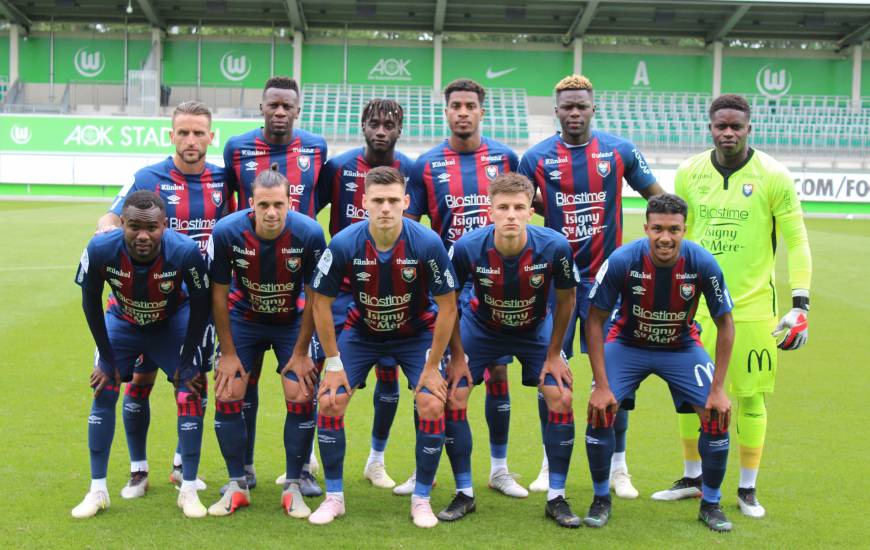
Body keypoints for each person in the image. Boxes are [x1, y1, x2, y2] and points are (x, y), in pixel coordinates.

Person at [653, 94, 812, 518]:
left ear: (748, 128)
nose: (728, 133)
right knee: (689, 397)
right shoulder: (689, 171)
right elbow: (676, 234)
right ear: (710, 127)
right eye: (721, 126)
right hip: (694, 307)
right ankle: (692, 477)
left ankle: (746, 488)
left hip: (752, 309)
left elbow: (796, 239)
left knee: (751, 398)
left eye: (736, 126)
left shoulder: (773, 175)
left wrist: (801, 303)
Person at [518, 74, 664, 498]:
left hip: (609, 285)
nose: (575, 113)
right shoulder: (536, 159)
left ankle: (619, 467)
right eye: (567, 106)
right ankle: (549, 463)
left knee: (615, 378)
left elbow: (656, 197)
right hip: (557, 285)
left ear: (593, 108)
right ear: (556, 110)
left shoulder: (619, 151)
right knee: (553, 374)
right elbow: (525, 206)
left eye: (582, 105)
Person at [307, 166, 458, 528]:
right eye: (378, 200)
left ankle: (421, 498)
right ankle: (334, 497)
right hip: (362, 332)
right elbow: (320, 304)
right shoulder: (344, 242)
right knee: (329, 399)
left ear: (406, 202)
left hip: (415, 333)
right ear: (364, 203)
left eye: (393, 200)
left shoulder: (427, 242)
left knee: (431, 401)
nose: (386, 208)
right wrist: (332, 362)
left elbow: (449, 306)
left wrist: (432, 365)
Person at [95, 100, 228, 496]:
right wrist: (104, 233)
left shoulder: (224, 181)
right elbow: (111, 217)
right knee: (138, 382)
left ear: (210, 136)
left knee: (192, 383)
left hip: (194, 304)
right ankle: (138, 470)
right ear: (171, 135)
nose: (190, 140)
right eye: (183, 132)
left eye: (198, 132)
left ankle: (181, 465)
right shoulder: (147, 177)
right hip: (143, 300)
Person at [583, 193, 735, 532]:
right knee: (600, 410)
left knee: (716, 414)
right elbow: (594, 320)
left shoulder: (703, 263)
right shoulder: (623, 259)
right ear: (646, 228)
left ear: (685, 229)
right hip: (627, 344)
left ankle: (710, 503)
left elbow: (726, 323)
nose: (665, 238)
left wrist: (718, 389)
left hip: (680, 347)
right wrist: (602, 385)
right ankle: (600, 498)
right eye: (657, 229)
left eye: (674, 230)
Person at [405, 78, 525, 498]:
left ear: (481, 111)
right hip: (449, 287)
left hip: (499, 285)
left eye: (470, 105)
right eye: (455, 105)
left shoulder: (504, 157)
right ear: (446, 111)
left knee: (497, 374)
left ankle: (499, 468)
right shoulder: (425, 164)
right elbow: (412, 224)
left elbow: (521, 212)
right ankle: (429, 467)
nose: (462, 112)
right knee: (442, 379)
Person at [440, 173, 581, 527]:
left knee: (561, 397)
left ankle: (557, 497)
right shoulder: (467, 247)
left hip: (535, 331)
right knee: (454, 396)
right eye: (503, 208)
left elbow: (567, 300)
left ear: (531, 211)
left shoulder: (555, 246)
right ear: (490, 211)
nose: (511, 216)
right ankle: (464, 493)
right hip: (482, 329)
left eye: (519, 207)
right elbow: (449, 304)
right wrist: (457, 356)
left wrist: (554, 354)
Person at [289, 98, 414, 490]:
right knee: (326, 369)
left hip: (394, 292)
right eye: (374, 123)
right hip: (343, 291)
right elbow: (310, 212)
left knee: (389, 374)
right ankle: (306, 456)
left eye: (389, 124)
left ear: (399, 129)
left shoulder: (410, 171)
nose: (381, 130)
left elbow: (418, 228)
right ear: (362, 125)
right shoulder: (339, 168)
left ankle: (376, 460)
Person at [72, 190, 210, 519]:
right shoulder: (100, 248)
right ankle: (97, 490)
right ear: (121, 224)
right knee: (104, 388)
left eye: (152, 228)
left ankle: (188, 488)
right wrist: (106, 359)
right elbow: (89, 300)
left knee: (191, 390)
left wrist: (188, 360)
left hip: (171, 324)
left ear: (166, 225)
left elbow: (203, 304)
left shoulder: (186, 251)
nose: (143, 236)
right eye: (134, 227)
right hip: (124, 322)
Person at [222, 76, 328, 494]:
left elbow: (321, 200)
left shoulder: (317, 147)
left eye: (287, 106)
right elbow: (228, 201)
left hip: (295, 290)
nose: (279, 112)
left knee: (302, 385)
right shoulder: (236, 148)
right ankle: (242, 468)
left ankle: (299, 467)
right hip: (247, 286)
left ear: (298, 109)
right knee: (241, 386)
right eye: (273, 105)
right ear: (261, 107)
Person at [206, 165, 326, 518]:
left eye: (278, 204)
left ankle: (293, 485)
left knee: (301, 392)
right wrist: (227, 353)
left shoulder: (309, 233)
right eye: (263, 205)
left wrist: (303, 351)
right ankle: (236, 484)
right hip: (245, 320)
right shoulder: (228, 232)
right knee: (228, 391)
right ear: (250, 204)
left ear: (291, 202)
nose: (271, 213)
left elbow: (315, 295)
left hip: (292, 323)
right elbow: (218, 294)